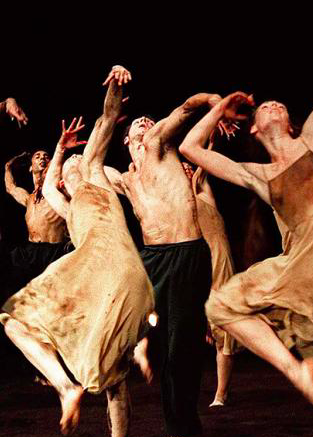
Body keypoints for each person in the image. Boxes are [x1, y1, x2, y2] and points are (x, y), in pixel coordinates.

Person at [180, 45, 313, 437]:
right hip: (305, 268)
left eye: (279, 105)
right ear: (255, 128)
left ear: (291, 121)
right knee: (221, 304)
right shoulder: (258, 175)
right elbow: (189, 148)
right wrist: (221, 105)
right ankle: (297, 372)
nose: (273, 105)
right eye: (265, 107)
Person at [1, 67, 153, 437]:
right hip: (92, 273)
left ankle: (134, 349)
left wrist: (115, 84)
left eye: (77, 161)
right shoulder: (65, 204)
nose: (74, 163)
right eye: (68, 166)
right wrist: (59, 149)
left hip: (115, 266)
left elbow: (104, 123)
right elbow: (50, 180)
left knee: (112, 366)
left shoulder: (96, 174)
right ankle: (67, 387)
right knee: (15, 320)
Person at [103, 84, 221, 437]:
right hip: (151, 260)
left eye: (148, 120)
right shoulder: (124, 178)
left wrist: (212, 101)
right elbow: (93, 161)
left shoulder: (161, 147)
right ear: (126, 140)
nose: (144, 123)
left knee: (180, 353)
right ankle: (141, 348)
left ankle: (182, 425)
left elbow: (185, 108)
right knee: (139, 331)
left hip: (185, 253)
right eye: (137, 122)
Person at [181, 153, 239, 408]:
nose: (185, 168)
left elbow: (202, 162)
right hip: (194, 264)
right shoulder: (176, 201)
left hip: (218, 261)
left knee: (223, 332)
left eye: (187, 167)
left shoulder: (204, 195)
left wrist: (212, 135)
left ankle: (221, 394)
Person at [4, 149, 71, 291]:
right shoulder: (29, 199)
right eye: (37, 156)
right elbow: (10, 187)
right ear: (30, 167)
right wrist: (8, 166)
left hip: (54, 251)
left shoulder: (58, 191)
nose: (42, 158)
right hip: (31, 251)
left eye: (46, 156)